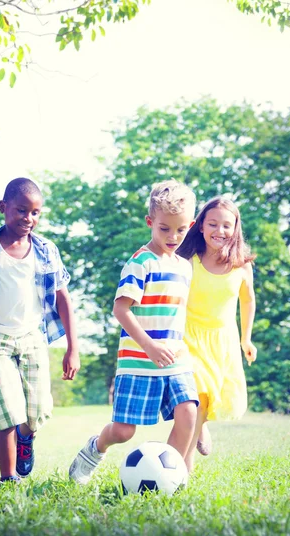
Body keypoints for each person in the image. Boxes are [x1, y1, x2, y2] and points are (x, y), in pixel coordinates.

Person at [69, 179, 199, 484]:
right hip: (138, 360)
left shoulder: (185, 266)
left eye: (180, 230)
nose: (173, 236)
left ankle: (170, 478)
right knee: (124, 431)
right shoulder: (140, 263)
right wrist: (149, 346)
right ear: (150, 222)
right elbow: (121, 309)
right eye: (164, 228)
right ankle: (94, 449)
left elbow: (178, 315)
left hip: (175, 359)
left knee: (189, 413)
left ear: (190, 225)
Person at [0, 177, 80, 484]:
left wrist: (72, 348)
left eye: (35, 213)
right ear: (4, 208)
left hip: (33, 338)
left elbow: (63, 299)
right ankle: (8, 477)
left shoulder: (46, 250)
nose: (28, 218)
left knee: (37, 413)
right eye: (21, 210)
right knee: (7, 410)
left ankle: (26, 438)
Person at [176, 196, 257, 471]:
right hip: (188, 338)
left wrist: (246, 338)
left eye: (226, 225)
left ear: (235, 229)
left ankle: (202, 428)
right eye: (212, 224)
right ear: (199, 226)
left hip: (222, 341)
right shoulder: (188, 260)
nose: (219, 231)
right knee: (196, 397)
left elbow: (247, 300)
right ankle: (182, 472)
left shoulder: (241, 265)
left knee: (209, 396)